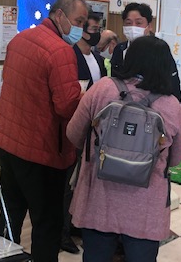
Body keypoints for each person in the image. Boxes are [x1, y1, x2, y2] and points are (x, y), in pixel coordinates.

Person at [66, 36, 181, 261]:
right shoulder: (171, 105)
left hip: (99, 198)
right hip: (145, 207)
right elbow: (176, 158)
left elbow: (73, 133)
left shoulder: (102, 88)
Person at [0, 0, 88, 262]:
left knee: (10, 213)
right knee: (46, 223)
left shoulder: (20, 39)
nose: (80, 28)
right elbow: (66, 106)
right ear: (60, 15)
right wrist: (85, 97)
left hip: (9, 143)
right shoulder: (61, 51)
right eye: (78, 21)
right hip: (42, 150)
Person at [61, 13, 107, 254]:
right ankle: (62, 232)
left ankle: (76, 224)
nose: (96, 34)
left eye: (99, 29)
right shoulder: (70, 54)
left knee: (84, 180)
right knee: (68, 182)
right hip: (75, 124)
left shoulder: (98, 58)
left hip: (95, 127)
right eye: (93, 29)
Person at [110, 2, 181, 102]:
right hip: (123, 104)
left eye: (139, 23)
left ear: (149, 26)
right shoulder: (120, 49)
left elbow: (174, 89)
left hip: (153, 105)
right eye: (128, 23)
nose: (133, 27)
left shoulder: (160, 50)